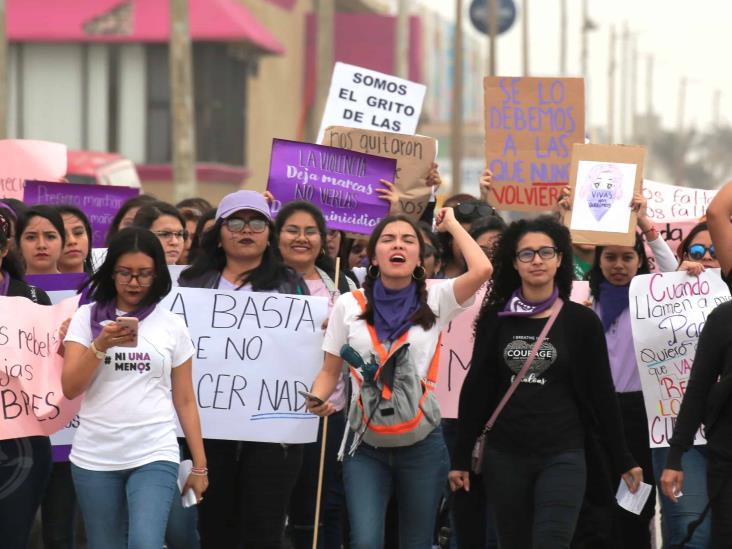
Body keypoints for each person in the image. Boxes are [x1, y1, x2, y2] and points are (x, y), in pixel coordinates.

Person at [450, 216, 642, 549]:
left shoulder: (581, 322)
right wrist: (461, 457)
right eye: (526, 254)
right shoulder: (497, 319)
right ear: (514, 262)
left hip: (563, 455)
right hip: (505, 456)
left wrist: (623, 457)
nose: (537, 260)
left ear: (560, 259)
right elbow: (476, 390)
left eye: (545, 252)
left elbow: (601, 395)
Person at [307, 208, 492, 548]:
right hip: (364, 443)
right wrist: (317, 398)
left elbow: (482, 270)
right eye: (389, 239)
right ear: (374, 256)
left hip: (422, 442)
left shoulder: (437, 298)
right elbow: (329, 372)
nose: (399, 245)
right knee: (365, 540)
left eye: (409, 241)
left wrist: (450, 225)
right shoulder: (348, 304)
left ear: (420, 258)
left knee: (416, 541)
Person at [61, 227, 207, 549]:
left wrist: (199, 466)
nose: (134, 282)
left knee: (145, 542)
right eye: (125, 273)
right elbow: (70, 387)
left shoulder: (172, 324)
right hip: (95, 456)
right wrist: (100, 344)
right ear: (111, 272)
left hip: (154, 451)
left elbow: (184, 399)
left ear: (157, 276)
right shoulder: (86, 318)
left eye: (144, 274)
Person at [179, 190, 307, 548]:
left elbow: (303, 354)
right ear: (219, 232)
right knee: (213, 528)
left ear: (269, 233)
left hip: (272, 434)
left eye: (256, 222)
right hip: (207, 431)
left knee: (262, 530)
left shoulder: (292, 284)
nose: (245, 230)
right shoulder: (190, 282)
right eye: (235, 221)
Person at [274, 200, 356, 549]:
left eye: (310, 231)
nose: (301, 238)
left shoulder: (344, 286)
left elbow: (362, 350)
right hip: (269, 413)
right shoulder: (255, 286)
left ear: (324, 239)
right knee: (274, 505)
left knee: (324, 505)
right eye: (292, 230)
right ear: (276, 237)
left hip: (329, 413)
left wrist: (343, 331)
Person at [0, 209, 53, 549]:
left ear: (4, 249)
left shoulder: (32, 298)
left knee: (13, 536)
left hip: (21, 443)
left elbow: (48, 375)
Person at [133, 201, 188, 265]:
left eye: (179, 234)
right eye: (165, 234)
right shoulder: (125, 273)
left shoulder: (189, 274)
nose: (175, 242)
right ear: (142, 237)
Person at [15, 205, 66, 275]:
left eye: (50, 237)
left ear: (63, 242)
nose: (41, 245)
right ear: (19, 244)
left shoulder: (80, 285)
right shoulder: (6, 285)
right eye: (31, 237)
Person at [56, 204, 94, 274]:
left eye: (78, 233)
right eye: (62, 235)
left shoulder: (105, 284)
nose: (72, 241)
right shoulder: (34, 284)